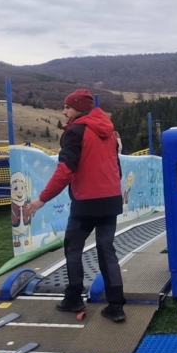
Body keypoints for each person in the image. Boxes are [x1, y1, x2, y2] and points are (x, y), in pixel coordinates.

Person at [24, 89, 127, 323]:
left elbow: (65, 171)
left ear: (79, 108)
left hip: (86, 203)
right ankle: (116, 306)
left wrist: (42, 199)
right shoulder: (109, 131)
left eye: (68, 107)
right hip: (111, 199)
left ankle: (73, 299)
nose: (64, 111)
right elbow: (116, 166)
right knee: (106, 249)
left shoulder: (74, 132)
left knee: (73, 247)